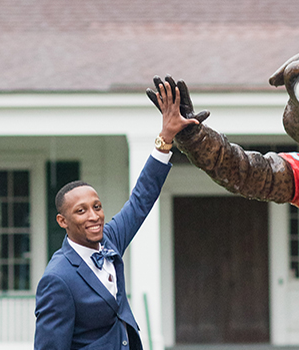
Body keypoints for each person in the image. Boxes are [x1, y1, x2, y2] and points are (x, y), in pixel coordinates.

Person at [34, 81, 197, 350]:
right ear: (62, 221)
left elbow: (140, 200)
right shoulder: (58, 278)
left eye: (96, 207)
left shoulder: (109, 240)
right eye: (81, 211)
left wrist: (166, 137)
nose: (93, 216)